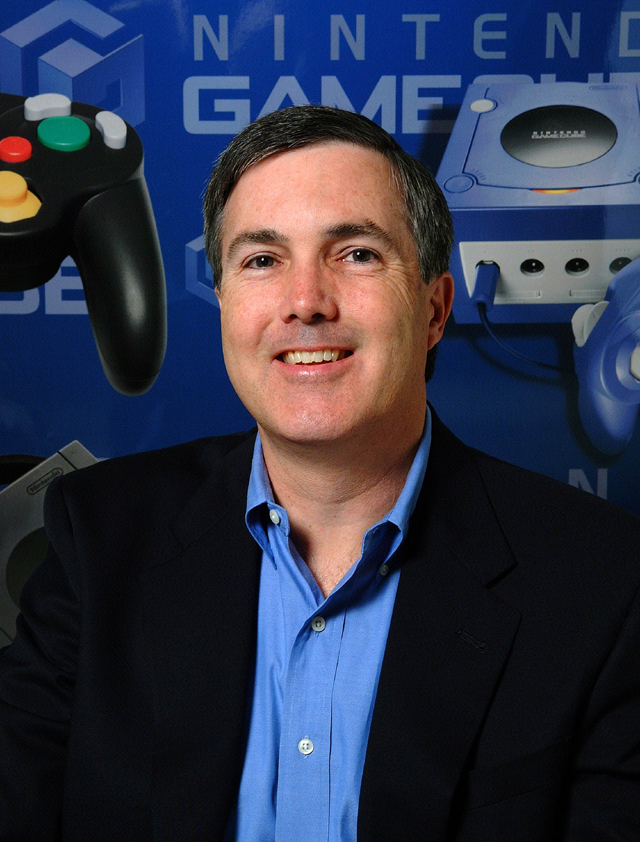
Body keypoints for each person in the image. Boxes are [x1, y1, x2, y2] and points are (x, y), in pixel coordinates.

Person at [1, 105, 639, 842]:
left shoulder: (604, 582)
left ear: (435, 310)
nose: (305, 303)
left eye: (357, 254)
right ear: (225, 305)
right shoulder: (97, 535)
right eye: (262, 261)